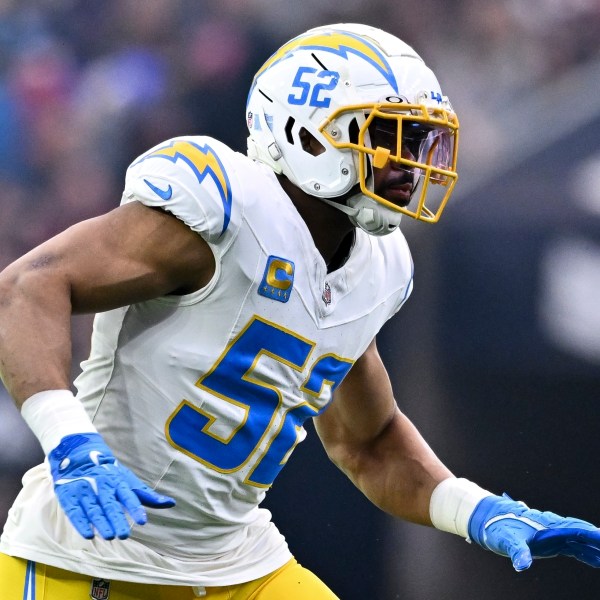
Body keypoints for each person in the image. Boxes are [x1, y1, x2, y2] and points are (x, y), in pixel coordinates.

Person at [0, 22, 598, 600]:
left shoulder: (379, 266)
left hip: (238, 562)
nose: (409, 163)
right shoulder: (223, 208)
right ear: (306, 132)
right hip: (92, 553)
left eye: (417, 142)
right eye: (390, 136)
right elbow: (25, 287)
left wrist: (479, 511)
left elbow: (370, 442)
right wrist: (69, 441)